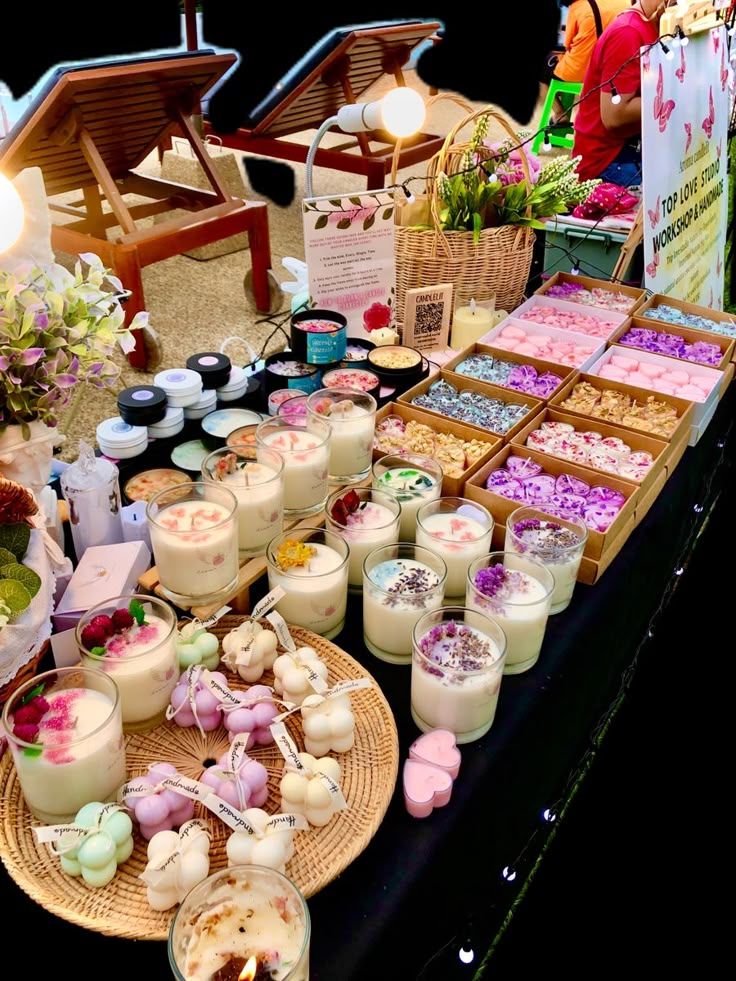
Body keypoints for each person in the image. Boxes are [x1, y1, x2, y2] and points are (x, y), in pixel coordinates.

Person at [572, 0, 673, 185]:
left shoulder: (659, 25)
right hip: (610, 161)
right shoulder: (628, 32)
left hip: (633, 150)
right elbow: (615, 115)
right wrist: (678, 97)